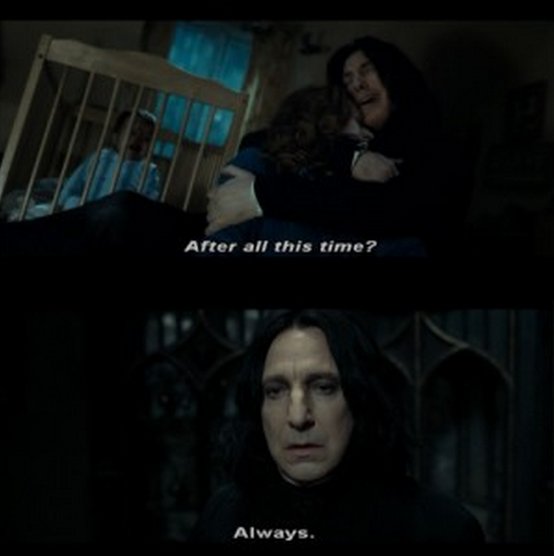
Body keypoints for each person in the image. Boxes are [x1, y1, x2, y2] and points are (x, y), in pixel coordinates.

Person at [189, 309, 486, 543]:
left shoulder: (440, 528)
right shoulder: (222, 518)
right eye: (275, 391)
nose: (298, 417)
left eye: (324, 387)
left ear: (362, 397)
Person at [206, 36, 474, 257]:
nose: (356, 84)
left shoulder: (439, 146)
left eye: (366, 70)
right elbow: (259, 140)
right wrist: (350, 158)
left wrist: (261, 195)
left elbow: (390, 211)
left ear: (394, 74)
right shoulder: (351, 141)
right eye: (347, 79)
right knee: (255, 160)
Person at [209, 85, 402, 251]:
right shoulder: (255, 163)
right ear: (329, 118)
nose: (368, 134)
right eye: (357, 122)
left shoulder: (351, 183)